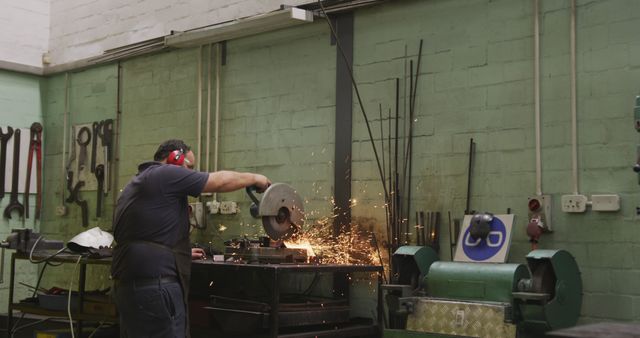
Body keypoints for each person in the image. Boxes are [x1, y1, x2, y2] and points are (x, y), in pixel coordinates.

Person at [111, 139, 270, 338]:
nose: (191, 172)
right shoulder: (165, 174)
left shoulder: (138, 182)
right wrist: (256, 178)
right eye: (190, 166)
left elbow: (149, 235)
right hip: (156, 288)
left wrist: (182, 254)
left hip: (132, 287)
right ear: (174, 158)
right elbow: (219, 181)